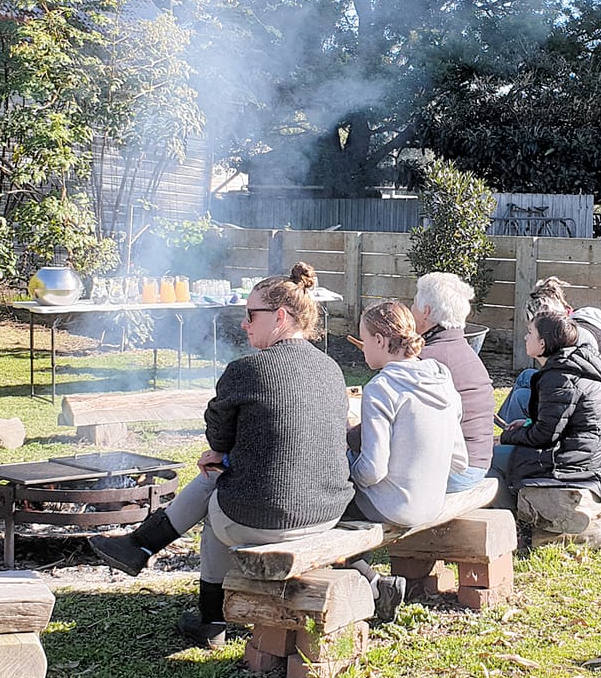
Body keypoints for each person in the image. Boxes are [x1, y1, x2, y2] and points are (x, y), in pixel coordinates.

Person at [87, 264, 395, 645]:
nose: (245, 324)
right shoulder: (331, 369)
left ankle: (208, 616)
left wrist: (218, 452)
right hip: (326, 513)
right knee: (219, 485)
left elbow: (218, 431)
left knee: (216, 500)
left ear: (280, 317)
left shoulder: (246, 370)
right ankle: (143, 548)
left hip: (268, 519)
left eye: (251, 314)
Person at [348, 301, 468, 527]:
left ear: (379, 341)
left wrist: (350, 472)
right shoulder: (442, 377)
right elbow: (460, 461)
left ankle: (354, 563)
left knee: (338, 474)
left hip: (390, 507)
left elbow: (373, 471)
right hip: (433, 505)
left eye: (364, 341)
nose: (362, 348)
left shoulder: (381, 387)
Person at [503, 311, 601, 497]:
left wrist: (508, 437)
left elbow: (544, 436)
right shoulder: (570, 366)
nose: (525, 337)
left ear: (542, 343)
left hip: (571, 465)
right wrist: (527, 424)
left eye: (530, 332)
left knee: (489, 461)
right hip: (583, 457)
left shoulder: (559, 378)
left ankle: (509, 515)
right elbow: (558, 425)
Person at [411, 272, 495, 489]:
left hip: (452, 472)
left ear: (426, 312)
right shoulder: (464, 352)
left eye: (414, 303)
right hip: (478, 464)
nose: (410, 310)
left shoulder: (427, 361)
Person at [529, 278, 601, 421]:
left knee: (524, 395)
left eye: (532, 331)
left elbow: (565, 384)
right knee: (526, 377)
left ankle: (514, 435)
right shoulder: (577, 325)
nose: (527, 337)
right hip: (600, 397)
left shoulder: (578, 335)